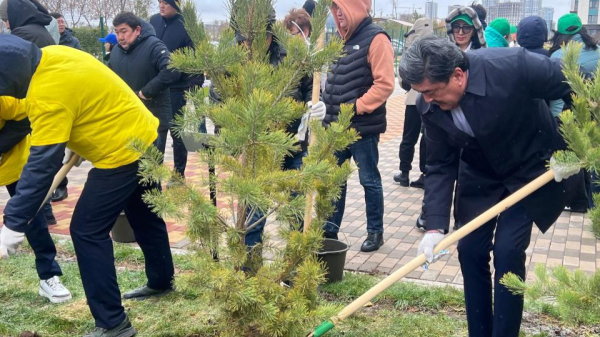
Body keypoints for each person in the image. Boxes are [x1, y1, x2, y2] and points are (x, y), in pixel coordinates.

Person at [0, 34, 175, 336]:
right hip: (142, 133)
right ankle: (161, 280)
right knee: (144, 214)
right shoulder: (52, 55)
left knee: (85, 229)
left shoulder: (48, 95)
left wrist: (13, 225)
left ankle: (112, 322)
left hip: (121, 151)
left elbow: (41, 166)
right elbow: (35, 105)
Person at [399, 36, 574, 337]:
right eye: (421, 93)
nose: (426, 100)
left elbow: (579, 85)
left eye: (431, 92)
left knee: (508, 251)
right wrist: (434, 227)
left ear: (457, 74)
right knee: (469, 249)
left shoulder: (513, 66)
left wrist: (569, 144)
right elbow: (439, 165)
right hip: (480, 176)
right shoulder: (428, 104)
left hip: (530, 172)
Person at [320, 0, 395, 253]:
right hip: (336, 128)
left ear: (356, 8)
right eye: (335, 9)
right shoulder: (341, 40)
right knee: (334, 181)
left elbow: (385, 84)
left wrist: (356, 107)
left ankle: (375, 232)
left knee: (369, 180)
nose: (338, 14)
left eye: (342, 8)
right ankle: (329, 230)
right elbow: (337, 82)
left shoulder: (377, 39)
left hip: (362, 128)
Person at [0, 96, 72, 304]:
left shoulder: (4, 95)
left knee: (34, 219)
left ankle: (48, 276)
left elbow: (24, 119)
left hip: (14, 164)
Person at [1, 0, 58, 223]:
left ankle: (38, 216)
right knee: (37, 166)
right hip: (42, 104)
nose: (5, 23)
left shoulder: (22, 37)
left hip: (32, 106)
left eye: (6, 18)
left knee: (28, 171)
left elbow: (16, 81)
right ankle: (43, 213)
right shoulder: (40, 31)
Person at [549, 13, 599, 212]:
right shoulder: (599, 52)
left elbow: (553, 95)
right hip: (594, 114)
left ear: (560, 35)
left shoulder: (557, 56)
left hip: (564, 115)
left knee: (572, 159)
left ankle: (577, 202)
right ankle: (592, 203)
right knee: (592, 158)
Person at [109, 12, 177, 156]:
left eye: (124, 31)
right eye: (117, 32)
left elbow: (172, 70)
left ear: (137, 30)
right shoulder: (116, 51)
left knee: (150, 171)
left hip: (153, 119)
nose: (120, 37)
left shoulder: (154, 46)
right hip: (127, 118)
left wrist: (145, 93)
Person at [150, 0, 204, 182]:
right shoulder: (154, 21)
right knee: (154, 131)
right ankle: (154, 173)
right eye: (159, 2)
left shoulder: (188, 25)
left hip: (177, 87)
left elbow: (196, 57)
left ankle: (178, 173)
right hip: (154, 85)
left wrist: (193, 85)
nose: (161, 5)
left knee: (176, 131)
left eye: (166, 2)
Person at [393, 17, 433, 188]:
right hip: (432, 98)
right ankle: (425, 174)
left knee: (409, 137)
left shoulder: (412, 44)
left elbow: (404, 78)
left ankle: (404, 173)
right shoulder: (436, 45)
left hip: (413, 100)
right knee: (428, 137)